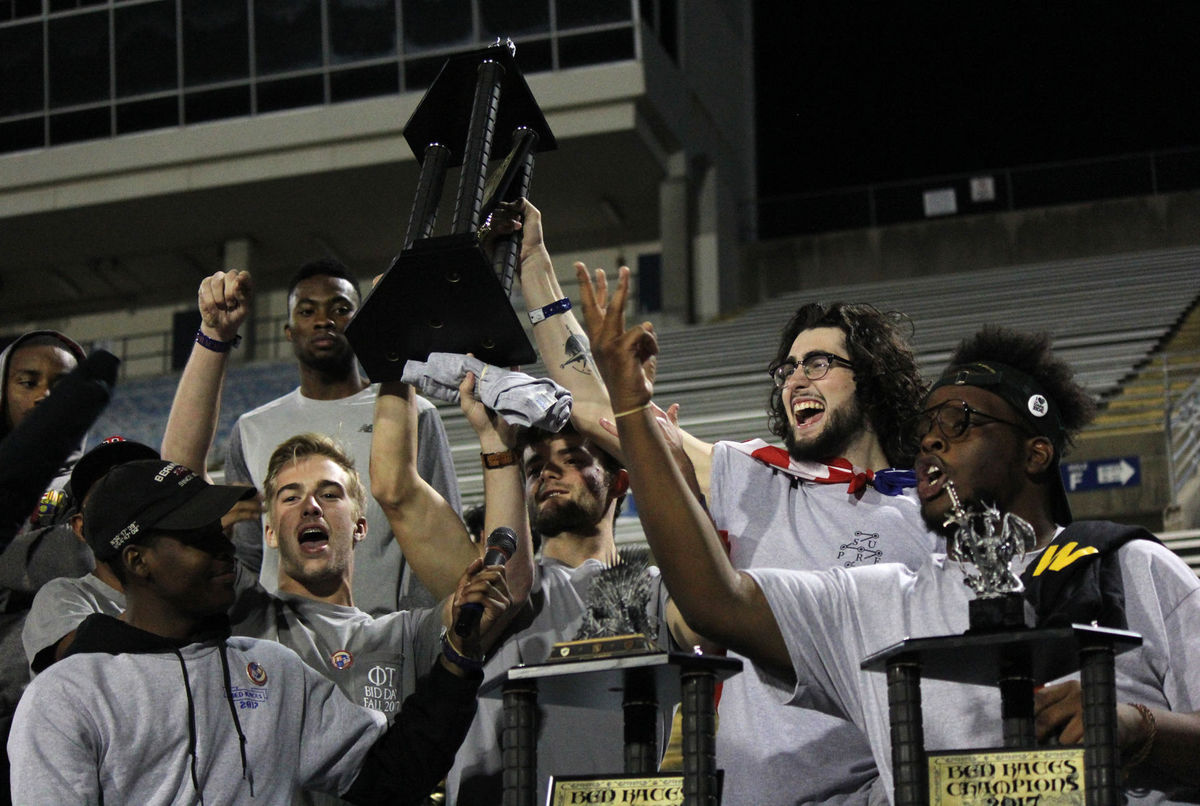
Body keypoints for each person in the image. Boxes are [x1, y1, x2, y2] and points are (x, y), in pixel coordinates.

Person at [584, 270, 1200, 806]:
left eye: (959, 423)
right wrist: (634, 406)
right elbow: (713, 599)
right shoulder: (880, 602)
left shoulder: (1130, 567)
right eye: (928, 426)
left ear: (1035, 452)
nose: (932, 439)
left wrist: (1140, 731)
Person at [503, 198, 939, 804]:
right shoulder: (759, 477)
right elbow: (605, 411)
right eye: (786, 368)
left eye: (818, 362)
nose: (795, 380)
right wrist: (534, 268)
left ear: (872, 376)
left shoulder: (930, 520)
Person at [8, 458, 511, 805]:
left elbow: (393, 776)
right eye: (197, 539)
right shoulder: (67, 697)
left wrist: (457, 663)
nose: (224, 549)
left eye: (219, 531)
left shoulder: (271, 671)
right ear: (138, 561)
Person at [372, 363, 683, 805]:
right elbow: (395, 490)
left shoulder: (657, 591)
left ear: (620, 481)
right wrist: (396, 355)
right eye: (535, 466)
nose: (548, 473)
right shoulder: (497, 587)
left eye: (573, 460)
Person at [224, 257, 461, 615]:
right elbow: (249, 553)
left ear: (359, 322)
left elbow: (439, 533)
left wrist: (414, 635)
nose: (324, 320)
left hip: (385, 637)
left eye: (340, 308)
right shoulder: (249, 429)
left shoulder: (412, 413)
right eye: (307, 311)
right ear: (289, 330)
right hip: (282, 646)